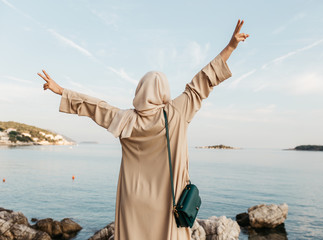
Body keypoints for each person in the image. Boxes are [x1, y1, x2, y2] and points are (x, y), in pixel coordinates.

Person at [38, 19, 249, 240]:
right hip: (168, 202)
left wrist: (62, 91)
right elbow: (203, 81)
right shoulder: (176, 113)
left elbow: (95, 107)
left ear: (140, 90)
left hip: (133, 202)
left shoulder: (125, 119)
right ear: (164, 92)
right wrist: (230, 47)